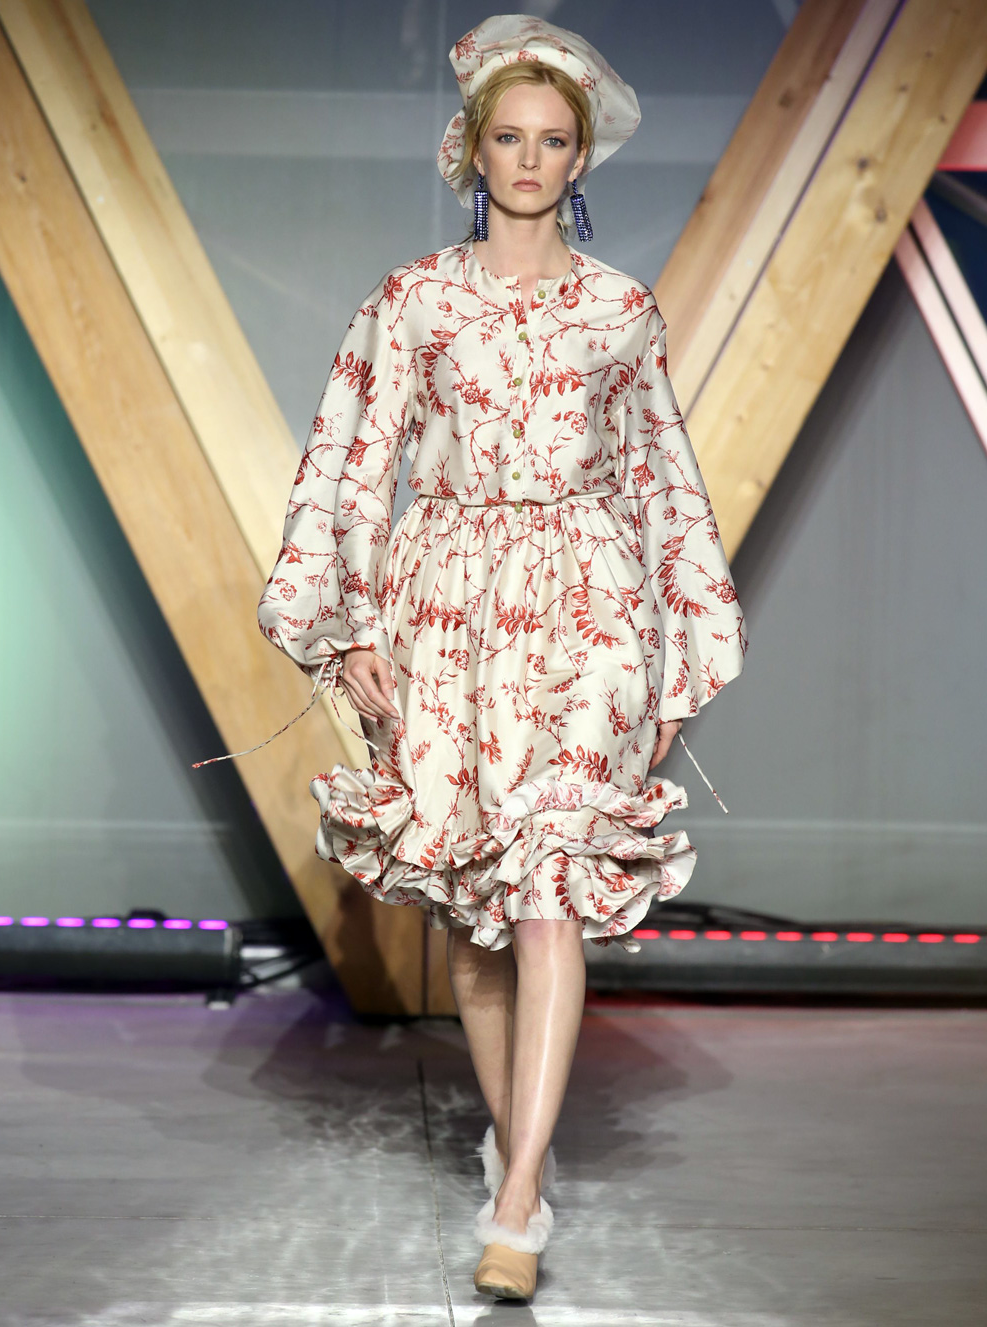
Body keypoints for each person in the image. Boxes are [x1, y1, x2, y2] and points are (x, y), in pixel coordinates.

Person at [207, 13, 747, 1304]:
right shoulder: (413, 304)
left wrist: (677, 662)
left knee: (549, 886)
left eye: (554, 140)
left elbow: (663, 484)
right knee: (474, 909)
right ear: (472, 148)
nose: (531, 159)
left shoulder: (620, 312)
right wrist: (347, 630)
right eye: (509, 137)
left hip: (589, 613)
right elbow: (350, 461)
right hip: (447, 611)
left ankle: (515, 1203)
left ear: (580, 158)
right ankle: (525, 1155)